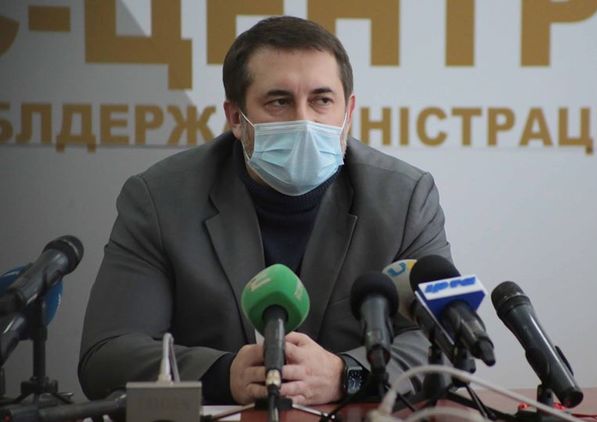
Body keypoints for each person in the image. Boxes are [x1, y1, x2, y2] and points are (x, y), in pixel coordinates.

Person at [79, 16, 451, 406]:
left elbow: (444, 341)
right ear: (236, 118)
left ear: (348, 112)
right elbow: (106, 355)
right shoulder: (160, 199)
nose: (304, 121)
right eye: (279, 101)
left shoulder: (404, 199)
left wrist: (348, 373)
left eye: (322, 100)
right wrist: (224, 373)